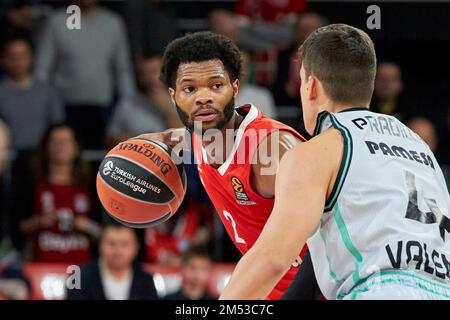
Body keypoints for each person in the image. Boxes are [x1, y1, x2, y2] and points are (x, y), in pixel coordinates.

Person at [219, 24, 450, 300]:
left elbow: (271, 260)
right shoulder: (419, 146)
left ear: (312, 86)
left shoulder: (318, 150)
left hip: (380, 290)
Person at [137, 31, 312, 300]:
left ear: (235, 88)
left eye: (216, 85)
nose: (203, 97)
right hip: (269, 289)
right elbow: (163, 140)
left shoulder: (271, 152)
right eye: (190, 89)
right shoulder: (196, 136)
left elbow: (328, 238)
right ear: (173, 97)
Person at [35, 0, 136, 148]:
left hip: (104, 107)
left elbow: (123, 69)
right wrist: (41, 104)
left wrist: (128, 107)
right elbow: (43, 68)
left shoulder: (113, 23)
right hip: (64, 107)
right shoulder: (57, 22)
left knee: (103, 160)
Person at [20, 124, 100, 264]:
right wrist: (40, 221)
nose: (60, 146)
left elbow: (103, 231)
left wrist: (85, 226)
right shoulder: (31, 184)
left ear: (76, 148)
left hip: (82, 269)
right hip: (41, 267)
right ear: (46, 147)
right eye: (55, 141)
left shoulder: (91, 186)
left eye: (66, 141)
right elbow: (19, 227)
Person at [66, 223, 158, 300]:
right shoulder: (79, 276)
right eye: (111, 244)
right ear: (100, 246)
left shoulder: (146, 280)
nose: (118, 250)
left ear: (135, 248)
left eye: (124, 244)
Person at [105, 54, 180, 147]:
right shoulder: (127, 103)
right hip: (135, 155)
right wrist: (133, 140)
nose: (150, 79)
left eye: (154, 72)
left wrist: (167, 110)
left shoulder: (180, 101)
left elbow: (184, 140)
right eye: (145, 73)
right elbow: (109, 138)